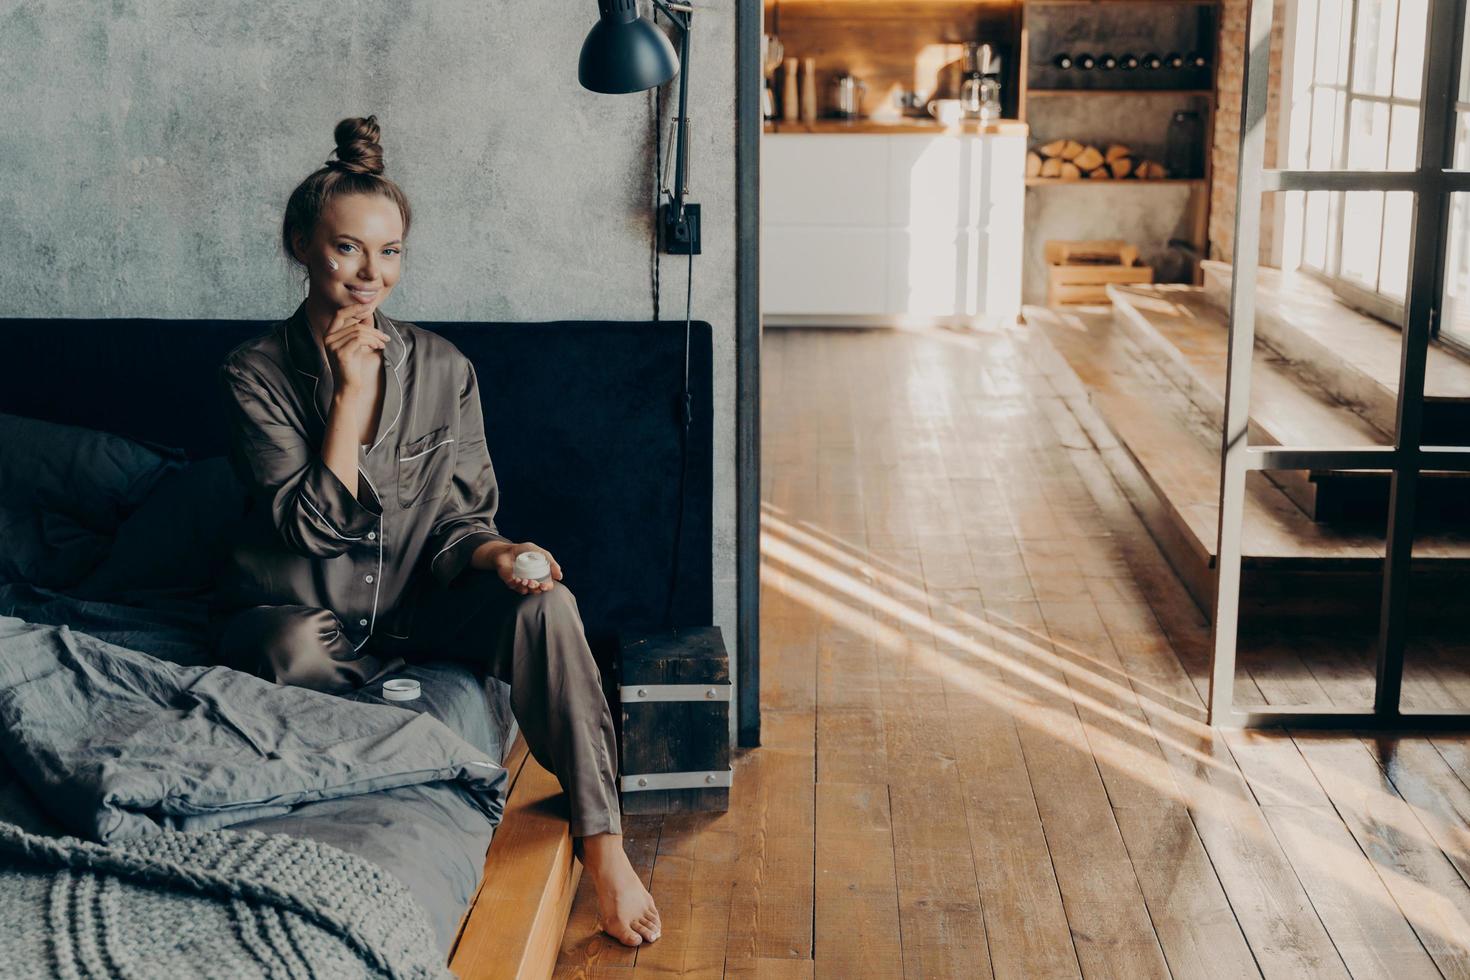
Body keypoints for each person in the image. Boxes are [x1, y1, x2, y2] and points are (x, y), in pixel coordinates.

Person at [207, 115, 660, 947]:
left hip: (421, 604)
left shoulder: (447, 369)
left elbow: (462, 520)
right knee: (290, 646)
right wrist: (350, 394)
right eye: (347, 249)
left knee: (550, 608)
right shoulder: (254, 374)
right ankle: (393, 759)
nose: (370, 273)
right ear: (301, 244)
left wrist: (506, 556)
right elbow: (311, 529)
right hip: (303, 613)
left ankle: (605, 845)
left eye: (390, 252)